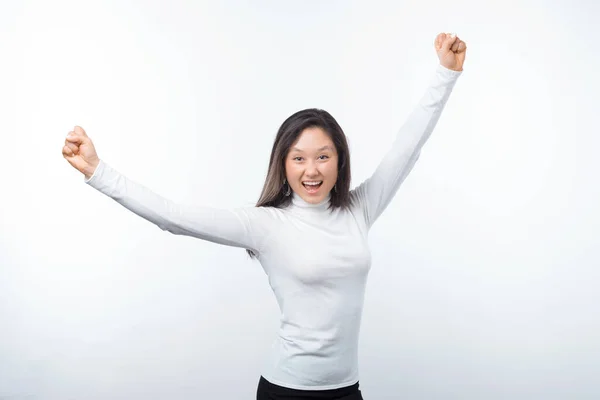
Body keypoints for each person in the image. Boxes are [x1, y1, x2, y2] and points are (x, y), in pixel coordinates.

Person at [62, 32, 467, 400]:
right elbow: (173, 217)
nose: (312, 170)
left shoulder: (359, 208)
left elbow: (406, 148)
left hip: (346, 390)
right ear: (284, 163)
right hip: (286, 391)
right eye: (299, 158)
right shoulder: (267, 224)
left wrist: (445, 75)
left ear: (339, 161)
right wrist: (99, 172)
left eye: (323, 157)